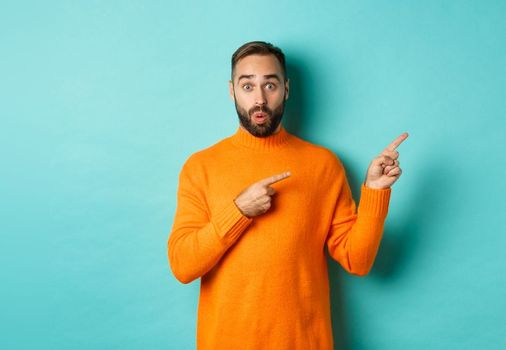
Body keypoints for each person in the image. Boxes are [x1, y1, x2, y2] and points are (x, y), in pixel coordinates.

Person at [166, 41, 407, 349]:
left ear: (286, 89)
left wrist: (374, 193)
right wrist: (238, 211)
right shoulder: (201, 167)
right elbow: (182, 265)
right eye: (248, 85)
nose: (260, 98)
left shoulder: (323, 165)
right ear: (232, 91)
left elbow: (357, 261)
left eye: (270, 84)